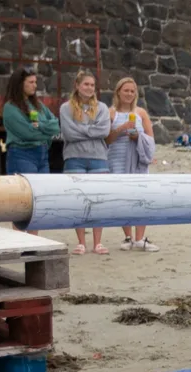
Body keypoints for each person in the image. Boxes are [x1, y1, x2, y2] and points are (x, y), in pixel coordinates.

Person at [60, 70, 112, 254]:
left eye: (92, 85)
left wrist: (81, 129)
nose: (89, 88)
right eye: (86, 84)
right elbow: (68, 133)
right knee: (78, 200)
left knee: (97, 200)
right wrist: (91, 130)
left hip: (98, 158)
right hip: (74, 158)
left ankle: (97, 242)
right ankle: (81, 242)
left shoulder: (103, 108)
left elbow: (104, 131)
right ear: (77, 85)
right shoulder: (65, 108)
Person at [3, 68, 59, 235]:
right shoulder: (10, 108)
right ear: (20, 84)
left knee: (39, 200)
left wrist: (40, 126)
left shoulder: (38, 105)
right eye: (31, 82)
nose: (35, 85)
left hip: (41, 154)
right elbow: (27, 132)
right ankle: (20, 240)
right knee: (23, 201)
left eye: (35, 82)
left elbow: (55, 125)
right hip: (22, 154)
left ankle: (34, 240)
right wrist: (44, 130)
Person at [106, 77, 159, 252]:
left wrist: (138, 137)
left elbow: (151, 140)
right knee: (123, 198)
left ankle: (140, 238)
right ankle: (128, 236)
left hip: (137, 160)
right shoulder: (111, 113)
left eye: (132, 91)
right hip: (117, 159)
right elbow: (106, 140)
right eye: (126, 90)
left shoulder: (141, 113)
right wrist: (121, 128)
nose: (129, 94)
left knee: (141, 197)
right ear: (118, 92)